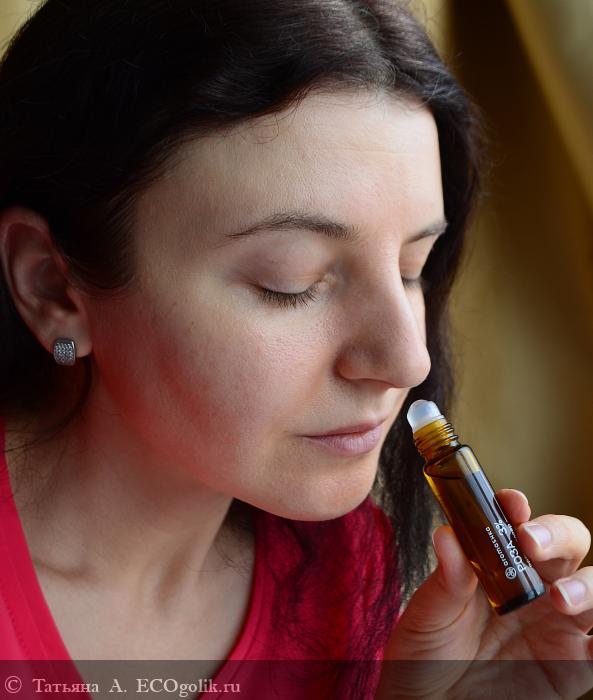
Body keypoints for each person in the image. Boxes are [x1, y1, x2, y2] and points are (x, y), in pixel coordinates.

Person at [0, 1, 591, 698]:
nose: (409, 361)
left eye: (414, 269)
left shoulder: (344, 572)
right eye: (292, 282)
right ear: (52, 286)